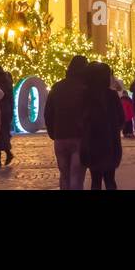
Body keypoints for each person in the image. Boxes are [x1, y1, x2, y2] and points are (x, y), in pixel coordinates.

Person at [44, 55, 89, 189]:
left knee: (64, 176)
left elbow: (48, 113)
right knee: (76, 177)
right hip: (79, 137)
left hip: (60, 136)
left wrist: (53, 133)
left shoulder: (57, 87)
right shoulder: (85, 89)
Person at [81, 61, 125, 189]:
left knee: (95, 181)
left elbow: (81, 118)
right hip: (110, 144)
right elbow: (121, 119)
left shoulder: (85, 95)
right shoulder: (111, 95)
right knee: (110, 180)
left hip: (92, 144)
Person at [0, 65, 14, 167]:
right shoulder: (7, 81)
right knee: (3, 133)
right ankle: (5, 155)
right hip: (7, 111)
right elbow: (11, 98)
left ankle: (0, 158)